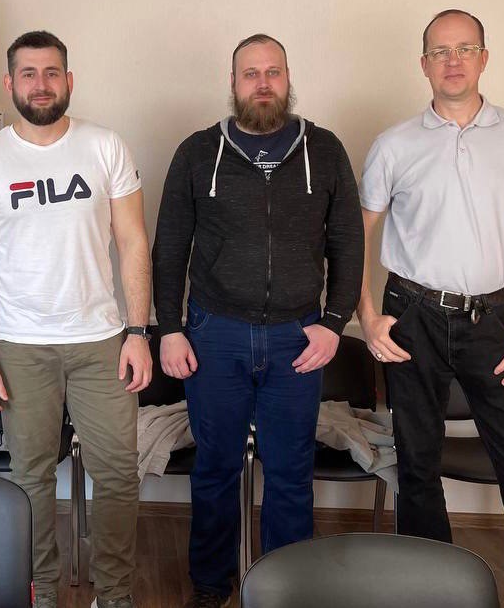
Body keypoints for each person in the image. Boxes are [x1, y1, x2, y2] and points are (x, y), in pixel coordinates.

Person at [356, 9, 504, 608]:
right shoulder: (394, 144)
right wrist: (367, 317)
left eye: (465, 48)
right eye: (440, 51)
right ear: (423, 65)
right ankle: (434, 598)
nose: (452, 60)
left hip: (503, 320)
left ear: (484, 58)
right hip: (413, 317)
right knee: (417, 471)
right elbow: (353, 238)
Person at [152, 33, 364, 608]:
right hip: (214, 333)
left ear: (288, 80)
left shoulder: (324, 149)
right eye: (251, 73)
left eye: (273, 72)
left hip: (299, 337)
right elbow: (170, 247)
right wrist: (169, 328)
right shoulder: (198, 152)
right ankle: (209, 585)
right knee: (214, 469)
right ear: (233, 83)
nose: (263, 83)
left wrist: (335, 322)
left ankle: (285, 590)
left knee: (291, 473)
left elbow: (348, 242)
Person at [0, 30, 152, 608]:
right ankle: (41, 595)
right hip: (20, 346)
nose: (41, 84)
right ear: (10, 83)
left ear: (69, 80)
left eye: (52, 72)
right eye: (29, 73)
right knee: (31, 477)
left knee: (118, 474)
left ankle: (113, 596)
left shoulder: (105, 146)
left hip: (102, 341)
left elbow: (133, 243)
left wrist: (139, 332)